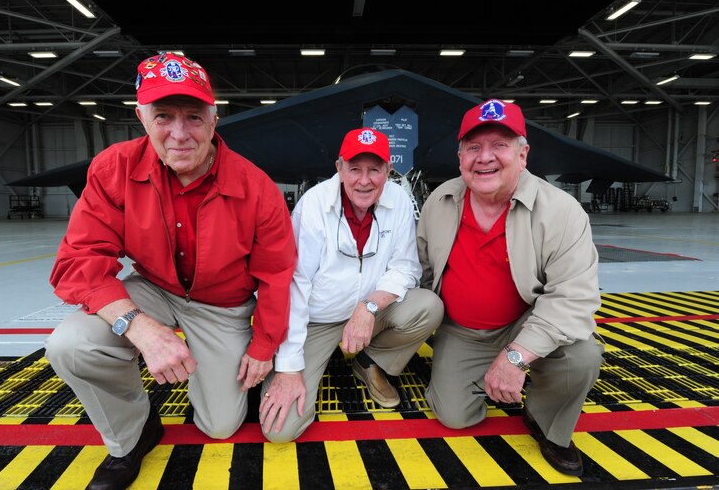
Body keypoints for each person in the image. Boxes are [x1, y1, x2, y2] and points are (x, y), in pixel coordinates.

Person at [45, 52, 297, 490]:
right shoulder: (113, 169)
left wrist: (264, 346)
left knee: (219, 426)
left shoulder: (256, 187)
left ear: (214, 121)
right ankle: (133, 433)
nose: (179, 134)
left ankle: (237, 379)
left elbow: (277, 275)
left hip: (223, 303)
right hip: (155, 289)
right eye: (164, 116)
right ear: (142, 117)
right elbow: (78, 262)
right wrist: (138, 327)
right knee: (71, 345)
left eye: (193, 117)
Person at [416, 99, 604, 477]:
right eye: (474, 147)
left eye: (499, 145)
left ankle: (546, 421)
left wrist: (516, 357)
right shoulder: (441, 200)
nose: (484, 158)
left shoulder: (561, 211)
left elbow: (573, 297)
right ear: (460, 157)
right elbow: (420, 267)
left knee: (582, 355)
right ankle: (484, 372)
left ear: (523, 154)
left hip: (525, 323)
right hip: (463, 331)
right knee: (454, 417)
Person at [259, 127, 444, 442]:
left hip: (369, 312)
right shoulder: (314, 206)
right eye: (355, 169)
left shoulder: (398, 199)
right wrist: (289, 367)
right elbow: (295, 286)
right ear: (339, 168)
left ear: (387, 171)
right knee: (281, 429)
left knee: (428, 306)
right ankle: (316, 360)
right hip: (316, 320)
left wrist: (368, 306)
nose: (364, 179)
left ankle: (369, 361)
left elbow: (406, 266)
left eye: (375, 169)